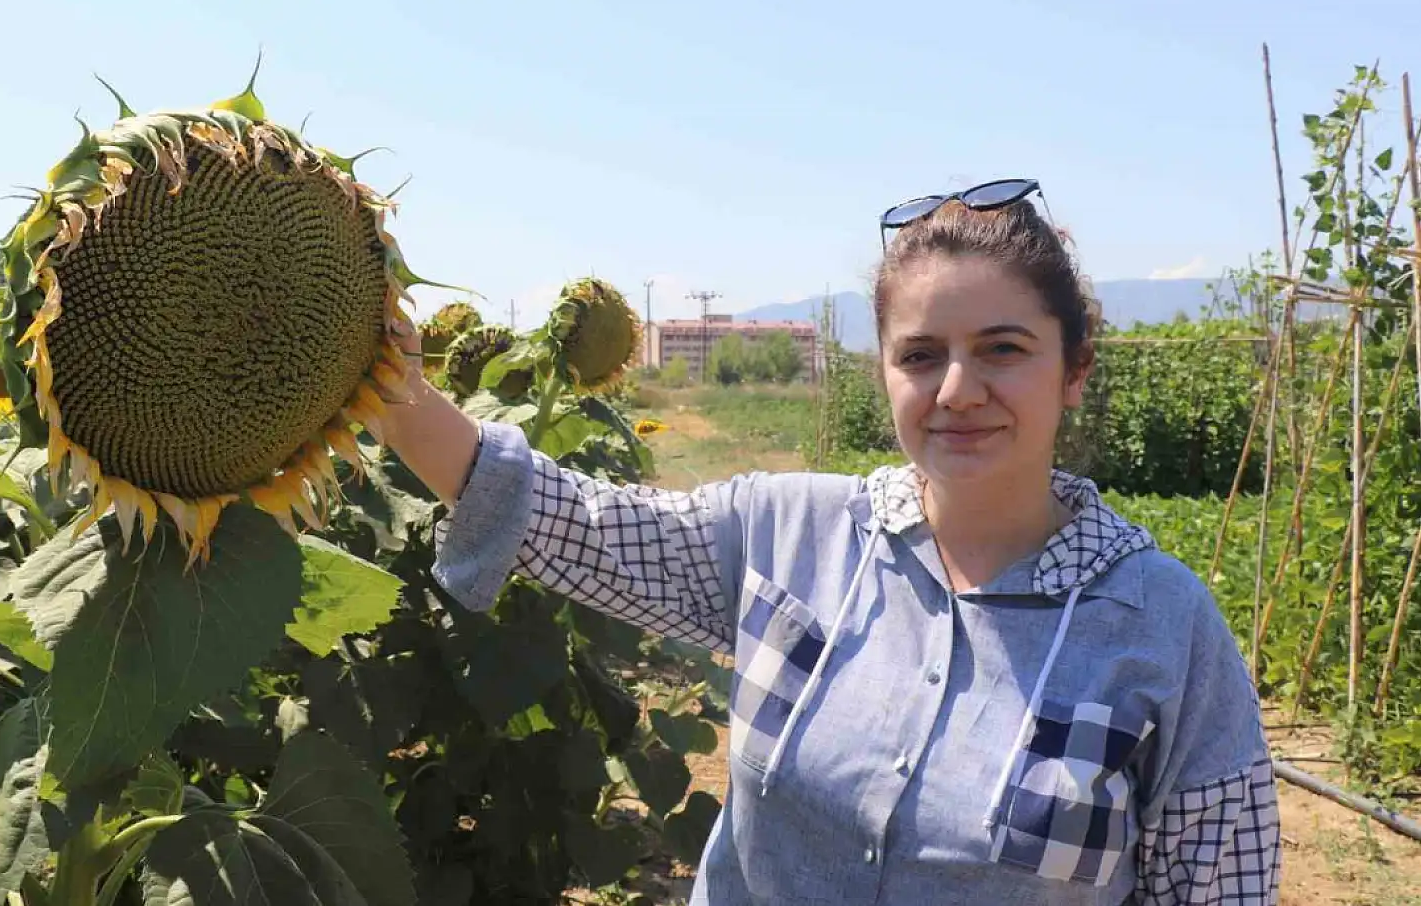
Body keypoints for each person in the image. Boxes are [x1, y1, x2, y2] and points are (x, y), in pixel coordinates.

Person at [377, 179, 1281, 905]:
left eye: (1003, 348)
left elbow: (1220, 886)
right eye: (920, 355)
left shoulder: (1161, 626)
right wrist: (388, 384)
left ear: (1075, 369)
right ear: (884, 370)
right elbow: (569, 523)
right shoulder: (788, 534)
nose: (958, 390)